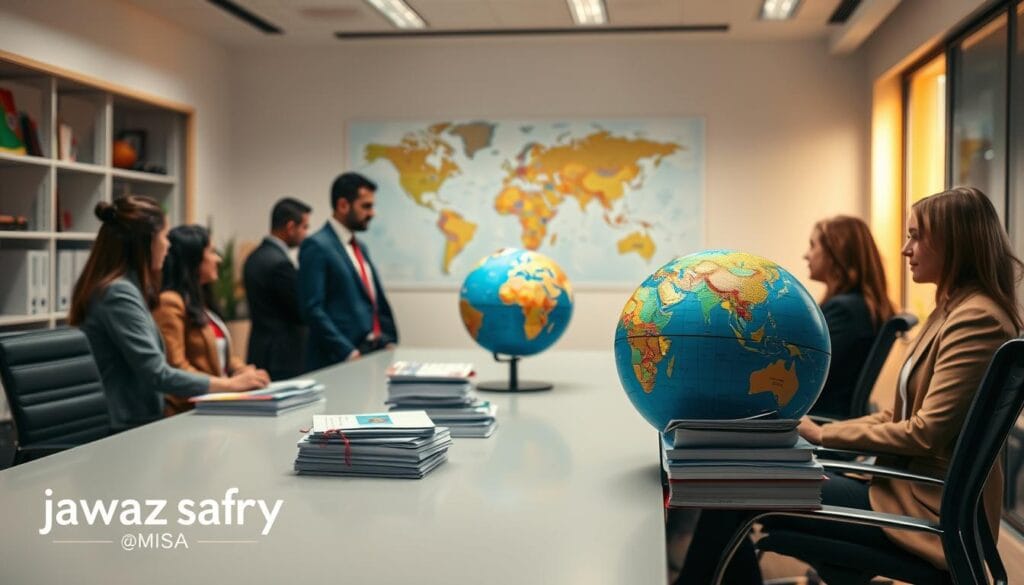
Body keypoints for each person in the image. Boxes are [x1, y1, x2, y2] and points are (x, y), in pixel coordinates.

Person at [677, 187, 1022, 583]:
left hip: (920, 506)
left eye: (916, 236)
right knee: (734, 486)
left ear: (954, 242)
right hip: (896, 488)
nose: (906, 249)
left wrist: (823, 434)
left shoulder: (976, 319)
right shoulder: (952, 308)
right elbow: (900, 416)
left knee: (730, 492)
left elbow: (925, 433)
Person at [69, 197, 268, 431]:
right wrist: (231, 385)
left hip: (138, 420)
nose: (167, 245)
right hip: (126, 425)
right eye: (163, 236)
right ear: (146, 242)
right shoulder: (119, 293)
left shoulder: (127, 289)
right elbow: (157, 373)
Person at [153, 225, 269, 415]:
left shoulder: (201, 301)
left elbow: (223, 356)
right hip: (188, 410)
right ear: (193, 258)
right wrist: (229, 385)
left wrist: (245, 372)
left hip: (216, 404)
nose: (219, 259)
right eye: (212, 252)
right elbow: (176, 367)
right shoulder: (170, 302)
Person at [298, 172, 398, 371]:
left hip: (371, 355)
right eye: (366, 206)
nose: (372, 213)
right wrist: (348, 352)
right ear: (343, 205)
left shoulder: (360, 247)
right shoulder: (316, 246)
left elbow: (374, 301)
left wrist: (387, 340)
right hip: (337, 361)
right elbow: (312, 309)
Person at [803, 215, 896, 418]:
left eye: (813, 246)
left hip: (822, 422)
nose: (806, 255)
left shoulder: (845, 311)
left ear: (836, 253)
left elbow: (807, 374)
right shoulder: (862, 306)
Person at [244, 197, 311, 380]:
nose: (306, 234)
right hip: (283, 356)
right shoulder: (280, 264)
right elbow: (299, 310)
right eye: (304, 227)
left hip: (260, 350)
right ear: (290, 227)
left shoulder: (254, 256)